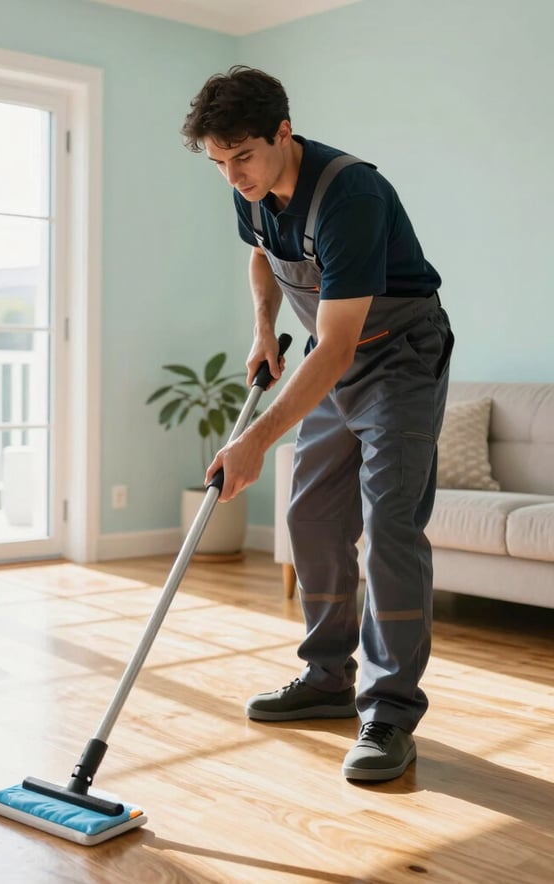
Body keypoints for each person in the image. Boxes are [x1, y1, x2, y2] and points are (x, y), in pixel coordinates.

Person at [181, 66, 454, 782]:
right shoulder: (250, 191)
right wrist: (263, 330)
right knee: (310, 516)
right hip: (331, 363)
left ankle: (390, 711)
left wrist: (253, 441)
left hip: (397, 358)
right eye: (218, 162)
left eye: (243, 155)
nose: (233, 174)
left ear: (282, 132)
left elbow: (334, 345)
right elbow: (262, 256)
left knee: (390, 523)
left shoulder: (349, 196)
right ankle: (328, 677)